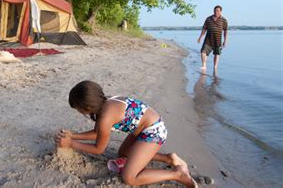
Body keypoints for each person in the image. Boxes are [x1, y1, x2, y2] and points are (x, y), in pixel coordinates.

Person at [55, 80, 197, 187]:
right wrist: (74, 135)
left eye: (77, 108)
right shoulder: (105, 102)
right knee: (123, 154)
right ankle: (168, 158)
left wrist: (72, 143)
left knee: (129, 178)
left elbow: (99, 149)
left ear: (86, 107)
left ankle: (177, 174)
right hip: (144, 129)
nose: (78, 111)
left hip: (154, 132)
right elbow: (98, 132)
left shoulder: (105, 118)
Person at [197, 5, 228, 72]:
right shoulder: (208, 19)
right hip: (208, 39)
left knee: (217, 54)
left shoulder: (224, 20)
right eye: (215, 10)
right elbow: (204, 29)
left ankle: (215, 67)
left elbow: (225, 31)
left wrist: (225, 41)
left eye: (217, 10)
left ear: (220, 11)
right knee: (203, 52)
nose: (216, 12)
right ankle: (204, 65)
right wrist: (200, 37)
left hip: (218, 40)